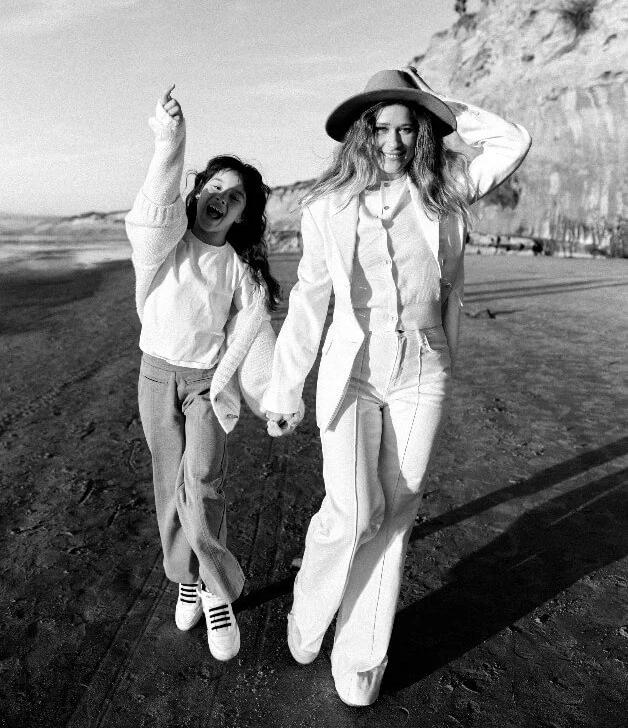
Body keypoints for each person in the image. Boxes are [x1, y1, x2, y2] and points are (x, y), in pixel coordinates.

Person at [264, 68, 531, 705]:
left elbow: (512, 141)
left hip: (422, 372)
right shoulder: (326, 207)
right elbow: (308, 300)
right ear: (362, 134)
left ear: (423, 133)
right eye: (381, 127)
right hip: (352, 375)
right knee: (355, 511)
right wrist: (284, 387)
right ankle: (309, 613)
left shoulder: (447, 193)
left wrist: (439, 104)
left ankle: (360, 658)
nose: (393, 141)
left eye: (407, 127)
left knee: (397, 514)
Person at [125, 86, 301, 662]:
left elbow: (255, 343)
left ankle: (218, 591)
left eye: (236, 195)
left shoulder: (240, 272)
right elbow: (152, 206)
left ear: (246, 215)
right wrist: (170, 139)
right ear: (197, 192)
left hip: (205, 385)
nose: (221, 197)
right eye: (214, 186)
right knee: (166, 483)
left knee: (202, 482)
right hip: (155, 379)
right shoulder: (163, 247)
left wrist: (276, 398)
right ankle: (186, 580)